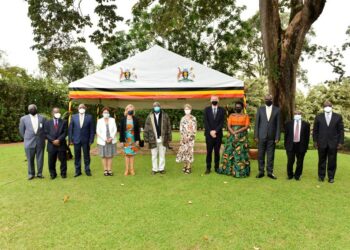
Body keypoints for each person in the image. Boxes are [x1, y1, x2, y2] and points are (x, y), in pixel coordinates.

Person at [313, 100, 344, 183]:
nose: (327, 107)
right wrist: (315, 141)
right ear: (323, 107)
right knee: (321, 160)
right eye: (325, 105)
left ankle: (331, 177)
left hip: (333, 143)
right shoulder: (319, 116)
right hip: (321, 142)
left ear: (332, 106)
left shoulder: (338, 117)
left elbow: (341, 131)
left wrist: (340, 142)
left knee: (332, 161)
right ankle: (321, 176)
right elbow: (315, 130)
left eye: (329, 105)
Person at [218, 101, 250, 177]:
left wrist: (237, 132)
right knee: (229, 152)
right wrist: (234, 133)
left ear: (242, 108)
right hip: (231, 136)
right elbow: (228, 126)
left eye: (239, 107)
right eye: (236, 107)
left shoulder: (246, 116)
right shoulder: (231, 116)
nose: (237, 108)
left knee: (241, 153)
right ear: (234, 108)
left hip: (242, 136)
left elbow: (246, 126)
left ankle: (240, 172)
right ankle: (228, 170)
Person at [254, 94, 280, 179]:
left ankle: (270, 172)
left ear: (272, 100)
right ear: (264, 100)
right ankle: (261, 172)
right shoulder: (260, 109)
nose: (268, 100)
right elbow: (257, 123)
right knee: (260, 155)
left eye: (269, 99)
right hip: (261, 136)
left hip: (272, 137)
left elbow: (278, 125)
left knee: (271, 155)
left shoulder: (277, 110)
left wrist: (277, 137)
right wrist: (256, 136)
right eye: (266, 99)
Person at [19, 104, 46, 180]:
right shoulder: (23, 119)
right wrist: (26, 138)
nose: (32, 109)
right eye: (30, 109)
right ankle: (31, 174)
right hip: (29, 142)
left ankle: (40, 173)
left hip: (40, 141)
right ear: (28, 110)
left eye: (33, 108)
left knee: (40, 158)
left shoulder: (42, 118)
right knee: (30, 159)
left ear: (36, 109)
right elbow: (21, 131)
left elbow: (45, 130)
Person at [144, 102, 172, 175]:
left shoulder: (165, 115)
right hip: (153, 138)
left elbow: (169, 126)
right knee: (154, 155)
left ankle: (161, 169)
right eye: (155, 106)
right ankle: (154, 169)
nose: (156, 107)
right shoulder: (149, 116)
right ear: (153, 107)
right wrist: (146, 139)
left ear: (160, 107)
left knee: (162, 155)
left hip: (163, 138)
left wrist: (169, 138)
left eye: (157, 106)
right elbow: (146, 128)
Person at [68, 103, 95, 177]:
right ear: (78, 108)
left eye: (83, 107)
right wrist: (70, 139)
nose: (81, 108)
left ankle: (87, 170)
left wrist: (91, 140)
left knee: (86, 156)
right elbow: (70, 129)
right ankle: (77, 171)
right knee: (77, 156)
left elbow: (92, 130)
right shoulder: (73, 117)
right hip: (76, 140)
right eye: (80, 107)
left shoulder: (89, 117)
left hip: (86, 140)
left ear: (85, 109)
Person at [284, 110, 310, 181]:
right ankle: (290, 175)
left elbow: (307, 137)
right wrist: (286, 146)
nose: (297, 114)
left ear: (301, 115)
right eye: (296, 113)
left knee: (300, 162)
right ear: (293, 115)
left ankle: (297, 175)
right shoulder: (288, 123)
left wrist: (306, 147)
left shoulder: (306, 124)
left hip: (301, 145)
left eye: (299, 113)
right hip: (290, 145)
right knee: (290, 161)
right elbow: (286, 136)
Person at [203, 96, 225, 174]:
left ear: (218, 101)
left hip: (218, 135)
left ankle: (216, 168)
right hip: (209, 135)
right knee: (209, 152)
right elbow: (206, 122)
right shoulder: (206, 110)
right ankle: (208, 168)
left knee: (217, 152)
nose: (214, 100)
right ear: (210, 100)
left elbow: (222, 123)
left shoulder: (222, 110)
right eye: (213, 99)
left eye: (216, 99)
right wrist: (210, 132)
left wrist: (215, 131)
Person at [44, 107, 68, 179]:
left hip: (61, 144)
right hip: (51, 145)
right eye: (55, 112)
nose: (57, 113)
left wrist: (58, 140)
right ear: (52, 113)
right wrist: (53, 141)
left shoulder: (64, 122)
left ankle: (63, 173)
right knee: (51, 161)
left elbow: (65, 133)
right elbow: (46, 133)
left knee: (63, 160)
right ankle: (53, 174)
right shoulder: (47, 122)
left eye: (58, 112)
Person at [119, 104, 141, 176]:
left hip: (133, 139)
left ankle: (132, 169)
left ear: (133, 111)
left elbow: (138, 130)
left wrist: (138, 140)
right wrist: (121, 141)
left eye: (131, 109)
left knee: (132, 155)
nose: (130, 110)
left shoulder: (136, 119)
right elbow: (121, 130)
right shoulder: (123, 119)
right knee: (126, 155)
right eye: (129, 109)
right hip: (126, 139)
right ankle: (126, 170)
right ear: (126, 110)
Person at [176, 104, 197, 174]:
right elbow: (181, 129)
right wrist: (183, 137)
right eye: (185, 109)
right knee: (184, 152)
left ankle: (189, 166)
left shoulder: (193, 118)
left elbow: (194, 129)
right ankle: (184, 165)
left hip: (190, 139)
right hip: (184, 139)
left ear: (190, 110)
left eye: (188, 109)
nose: (186, 110)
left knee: (189, 152)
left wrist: (190, 137)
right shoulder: (182, 118)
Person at [96, 107, 117, 176]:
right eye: (104, 112)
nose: (106, 114)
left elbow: (115, 129)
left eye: (107, 112)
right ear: (102, 113)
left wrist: (111, 137)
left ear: (109, 113)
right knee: (104, 156)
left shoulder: (112, 120)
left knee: (110, 155)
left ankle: (109, 169)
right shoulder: (99, 121)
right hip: (102, 141)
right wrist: (104, 139)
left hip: (111, 140)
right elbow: (98, 131)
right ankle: (105, 170)